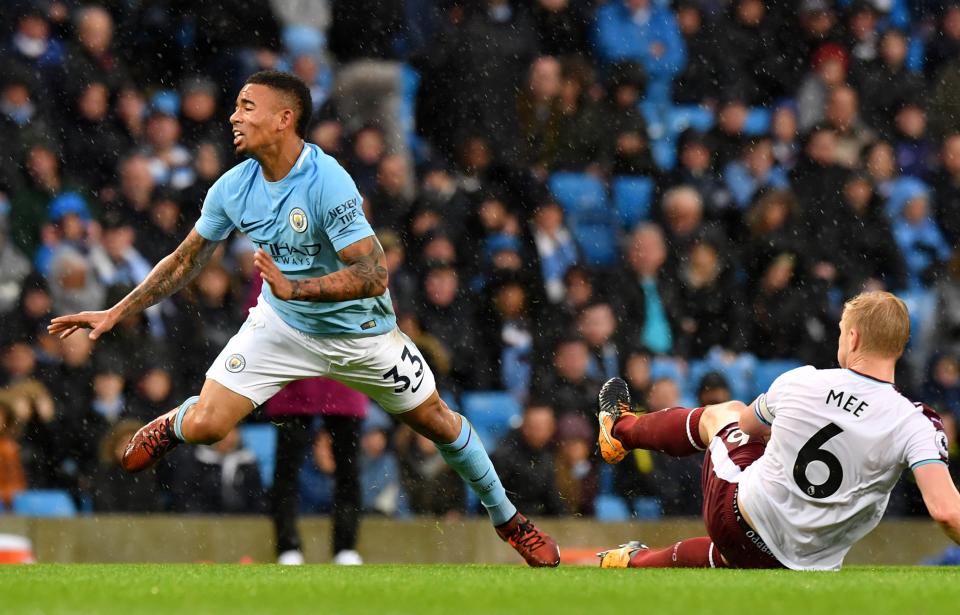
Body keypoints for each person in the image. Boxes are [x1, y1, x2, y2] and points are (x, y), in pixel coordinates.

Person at [49, 70, 559, 567]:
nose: (233, 117)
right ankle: (175, 421)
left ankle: (509, 520)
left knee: (440, 425)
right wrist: (119, 310)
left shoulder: (327, 180)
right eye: (235, 107)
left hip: (362, 335)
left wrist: (301, 287)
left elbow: (374, 271)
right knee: (206, 426)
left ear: (283, 119)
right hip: (282, 328)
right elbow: (186, 260)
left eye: (247, 107)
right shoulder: (233, 187)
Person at [594, 291, 960, 570]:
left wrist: (788, 431)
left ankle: (620, 428)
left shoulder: (804, 381)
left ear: (853, 338)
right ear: (898, 347)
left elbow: (749, 428)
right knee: (768, 535)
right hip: (808, 564)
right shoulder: (916, 421)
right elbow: (946, 511)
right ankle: (635, 560)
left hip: (738, 524)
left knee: (724, 414)